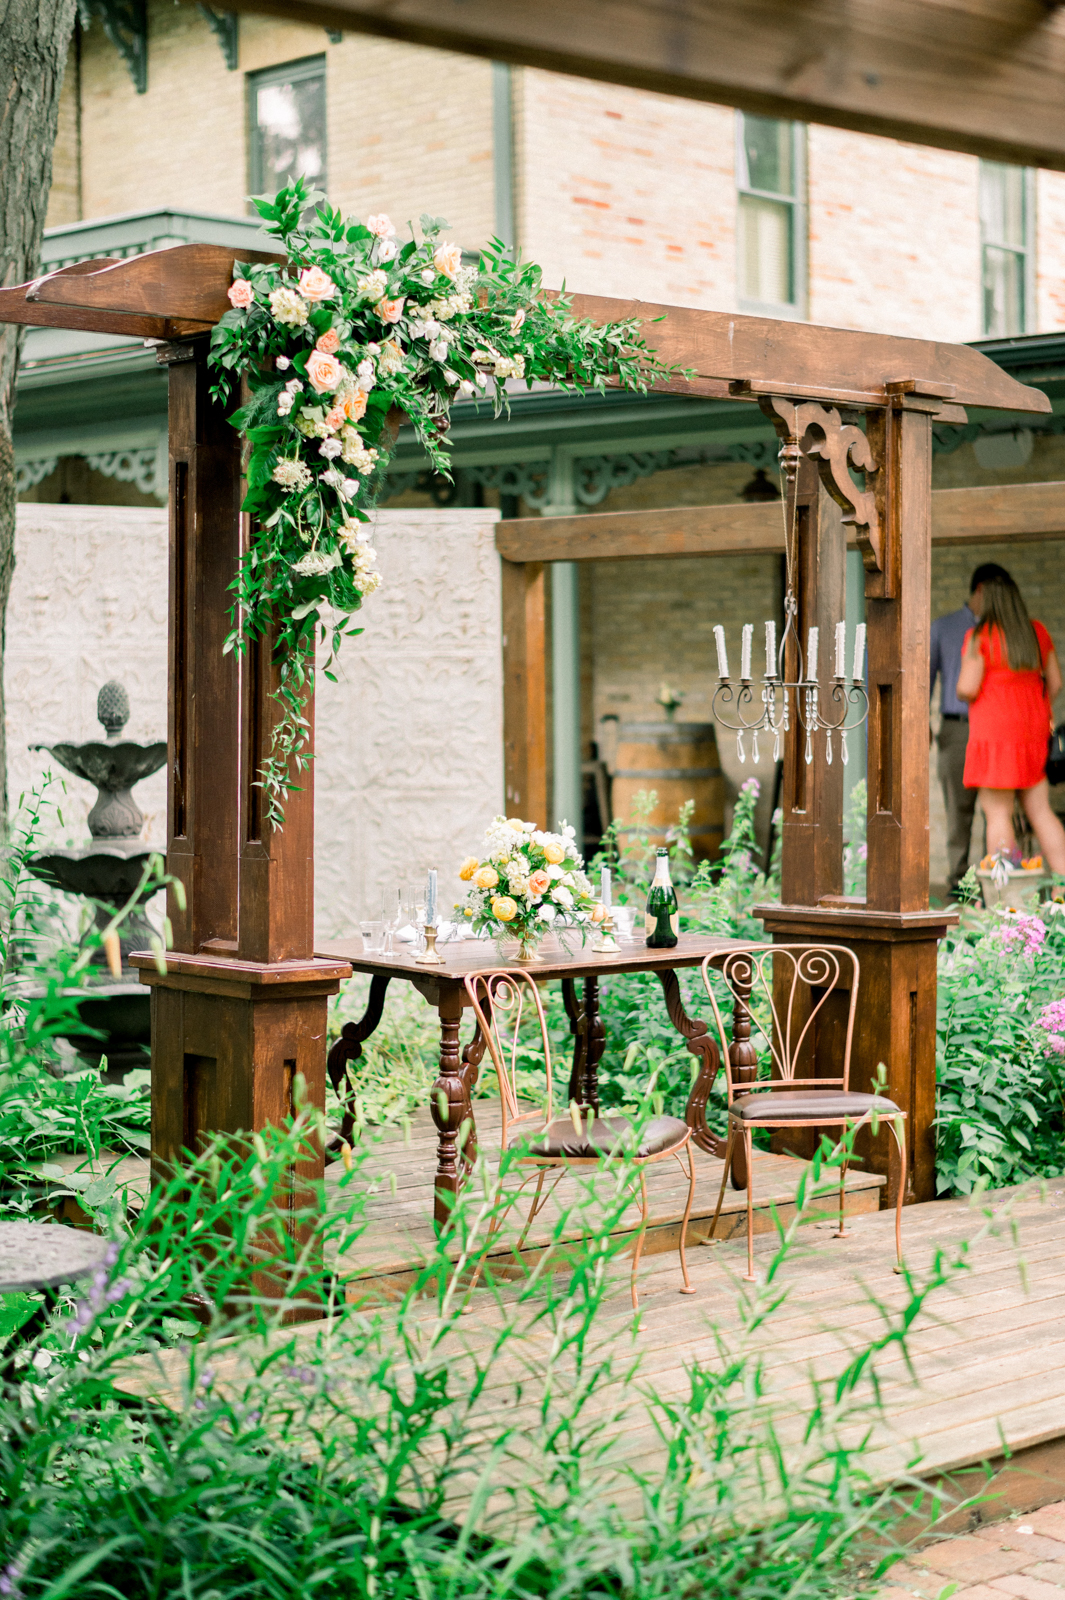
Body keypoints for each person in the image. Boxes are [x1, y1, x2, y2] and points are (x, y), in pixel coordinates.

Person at [956, 571, 1065, 876]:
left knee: (998, 814)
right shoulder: (1036, 632)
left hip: (995, 736)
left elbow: (966, 687)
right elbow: (1055, 683)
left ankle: (1006, 902)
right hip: (1032, 733)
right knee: (1041, 813)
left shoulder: (980, 636)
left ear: (985, 598)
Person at [929, 563, 1011, 891]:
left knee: (996, 808)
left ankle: (991, 881)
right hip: (958, 727)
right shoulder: (944, 627)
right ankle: (959, 883)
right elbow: (925, 678)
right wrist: (921, 721)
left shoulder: (1005, 630)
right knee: (958, 809)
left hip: (996, 730)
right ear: (980, 590)